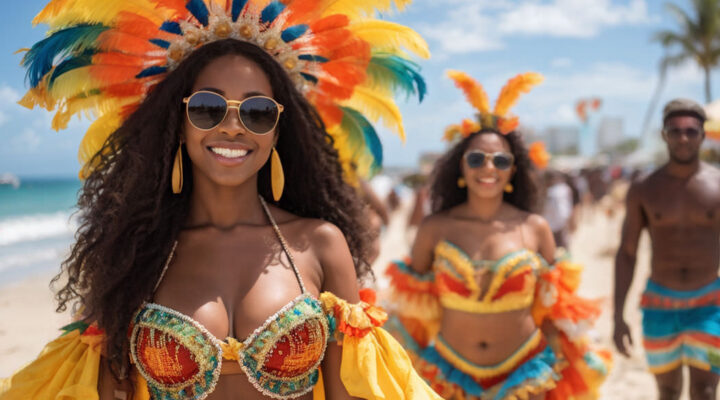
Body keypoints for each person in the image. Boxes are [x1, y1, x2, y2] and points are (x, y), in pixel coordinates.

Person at [1, 1, 440, 399]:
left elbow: (352, 391)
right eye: (208, 108)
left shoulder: (321, 244)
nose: (233, 127)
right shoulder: (133, 255)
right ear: (179, 123)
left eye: (257, 112)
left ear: (276, 131)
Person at [385, 70, 610, 399]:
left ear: (513, 171)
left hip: (525, 372)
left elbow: (555, 308)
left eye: (500, 160)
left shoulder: (535, 228)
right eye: (476, 158)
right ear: (461, 167)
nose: (488, 168)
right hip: (448, 373)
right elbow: (413, 311)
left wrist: (567, 360)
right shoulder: (435, 228)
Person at [613, 99, 720, 400]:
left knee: (706, 392)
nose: (683, 138)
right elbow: (627, 252)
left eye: (691, 131)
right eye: (675, 130)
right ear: (664, 135)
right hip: (657, 305)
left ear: (703, 135)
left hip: (712, 306)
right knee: (667, 392)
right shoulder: (644, 188)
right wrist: (617, 316)